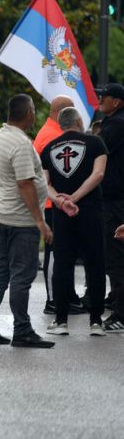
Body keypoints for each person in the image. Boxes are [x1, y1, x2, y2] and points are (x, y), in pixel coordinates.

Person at [0, 94, 55, 348]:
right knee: (22, 275)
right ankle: (22, 329)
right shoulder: (19, 143)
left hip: (1, 213)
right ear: (29, 112)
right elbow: (25, 184)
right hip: (20, 220)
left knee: (2, 270)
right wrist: (40, 222)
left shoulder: (1, 135)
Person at [40, 107, 107, 337]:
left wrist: (60, 201)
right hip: (90, 211)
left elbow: (45, 184)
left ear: (60, 124)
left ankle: (60, 320)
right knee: (95, 263)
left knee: (62, 264)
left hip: (62, 215)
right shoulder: (96, 143)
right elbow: (98, 175)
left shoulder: (49, 149)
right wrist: (76, 198)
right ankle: (96, 321)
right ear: (78, 121)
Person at [32, 95, 81, 315]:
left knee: (63, 252)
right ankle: (53, 300)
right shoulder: (51, 135)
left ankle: (66, 295)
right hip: (53, 202)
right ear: (66, 111)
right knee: (55, 253)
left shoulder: (52, 132)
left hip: (57, 201)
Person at [97, 83, 124, 332]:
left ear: (116, 101)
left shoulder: (116, 124)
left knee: (116, 256)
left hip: (116, 200)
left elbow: (98, 151)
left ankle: (120, 313)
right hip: (115, 198)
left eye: (103, 97)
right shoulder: (114, 121)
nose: (99, 101)